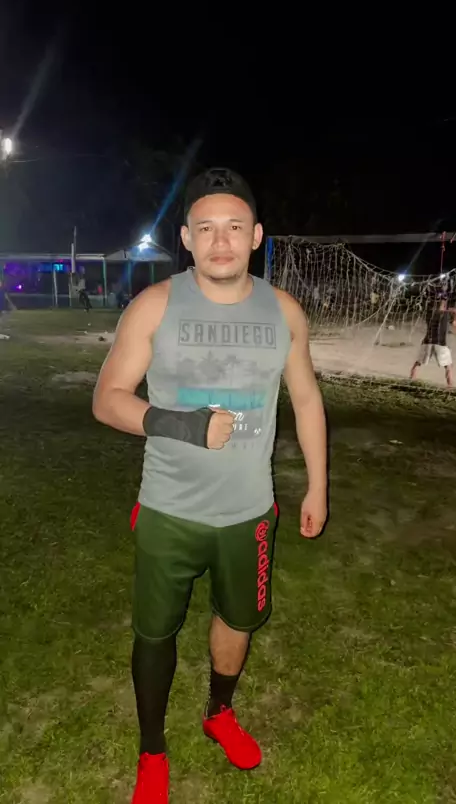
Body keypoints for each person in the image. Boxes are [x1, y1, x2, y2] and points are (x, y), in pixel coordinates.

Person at [93, 167, 328, 803]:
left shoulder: (284, 311)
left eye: (233, 227)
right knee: (155, 633)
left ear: (256, 235)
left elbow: (307, 399)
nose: (220, 241)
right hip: (168, 509)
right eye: (205, 228)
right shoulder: (156, 305)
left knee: (238, 620)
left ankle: (218, 713)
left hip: (249, 512)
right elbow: (107, 399)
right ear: (186, 238)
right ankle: (152, 751)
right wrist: (183, 424)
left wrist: (317, 488)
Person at [410, 294, 456, 387]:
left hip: (427, 342)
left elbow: (439, 309)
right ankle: (450, 386)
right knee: (448, 366)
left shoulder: (429, 312)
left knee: (417, 363)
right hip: (440, 344)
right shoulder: (446, 314)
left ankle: (411, 381)